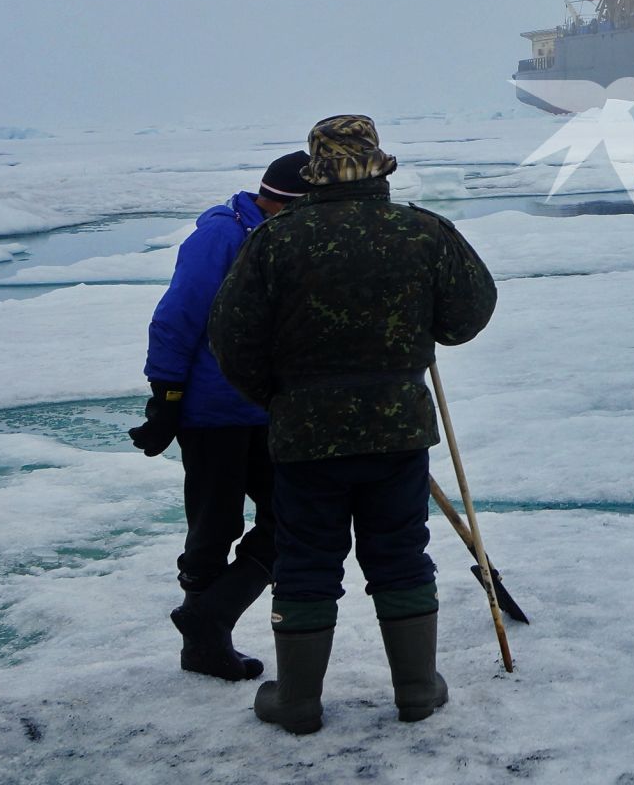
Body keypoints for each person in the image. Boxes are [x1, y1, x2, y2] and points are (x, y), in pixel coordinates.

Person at [209, 114, 497, 735]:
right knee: (399, 554)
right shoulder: (424, 232)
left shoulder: (275, 240)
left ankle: (299, 702)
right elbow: (468, 315)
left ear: (316, 172)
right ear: (378, 165)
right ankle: (417, 691)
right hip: (398, 430)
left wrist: (281, 396)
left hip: (305, 435)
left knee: (307, 560)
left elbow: (231, 338)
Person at [130, 149, 310, 681]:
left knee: (293, 514)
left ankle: (207, 617)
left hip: (270, 409)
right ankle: (204, 646)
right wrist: (166, 398)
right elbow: (176, 317)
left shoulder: (287, 237)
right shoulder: (222, 237)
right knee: (215, 524)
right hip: (213, 411)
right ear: (282, 202)